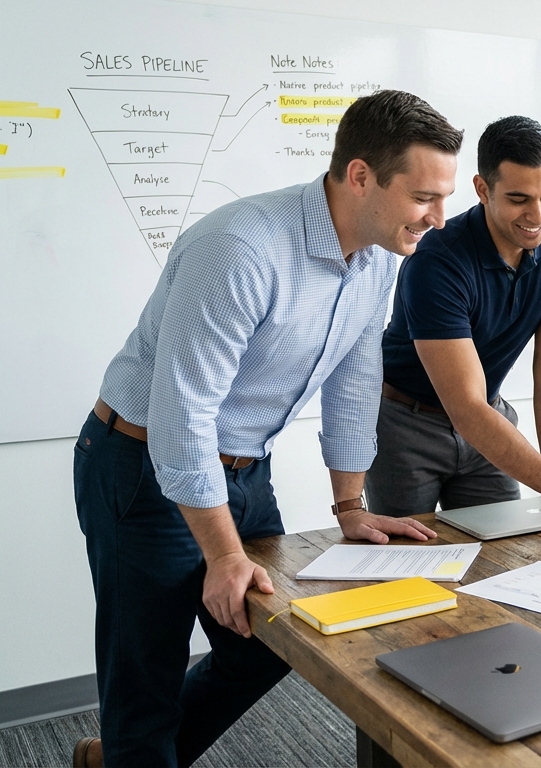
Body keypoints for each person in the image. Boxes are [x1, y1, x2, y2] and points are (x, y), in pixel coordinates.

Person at [70, 90, 462, 767]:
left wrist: (349, 505)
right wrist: (224, 555)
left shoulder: (375, 258)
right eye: (425, 196)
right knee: (146, 691)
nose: (439, 216)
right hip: (142, 469)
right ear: (361, 176)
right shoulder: (241, 248)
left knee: (271, 648)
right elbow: (181, 415)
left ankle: (121, 761)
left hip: (247, 470)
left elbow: (353, 383)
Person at [366, 116, 541, 554]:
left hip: (489, 417)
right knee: (409, 566)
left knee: (504, 559)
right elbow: (464, 406)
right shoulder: (437, 260)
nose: (537, 215)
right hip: (407, 427)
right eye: (519, 199)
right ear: (483, 189)